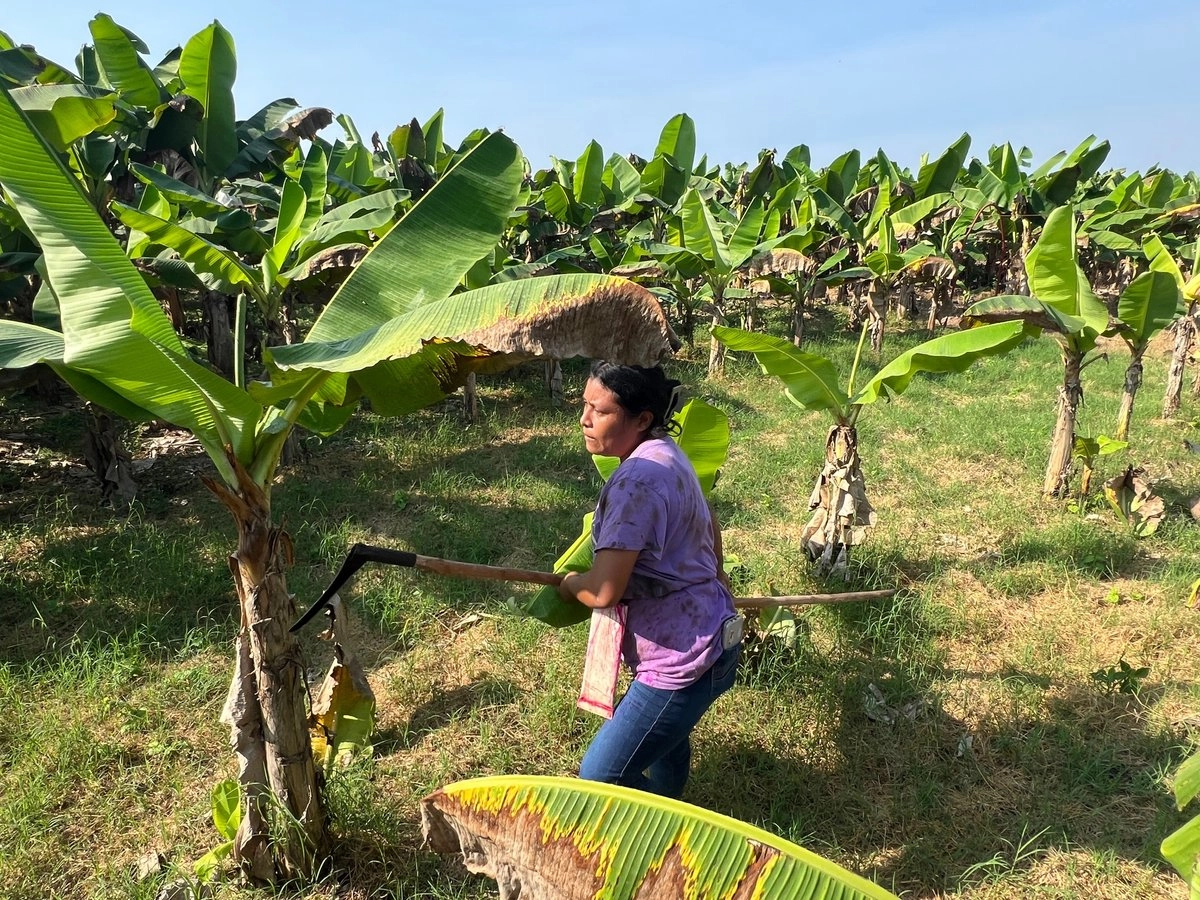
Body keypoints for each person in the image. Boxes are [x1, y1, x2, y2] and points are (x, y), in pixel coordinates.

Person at [557, 361, 741, 799]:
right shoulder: (666, 452)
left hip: (683, 662)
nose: (584, 419)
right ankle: (669, 812)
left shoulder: (636, 482)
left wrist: (568, 584)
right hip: (715, 636)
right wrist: (717, 574)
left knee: (600, 776)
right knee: (666, 746)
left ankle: (654, 833)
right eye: (584, 405)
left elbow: (603, 590)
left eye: (599, 411)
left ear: (641, 419)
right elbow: (708, 517)